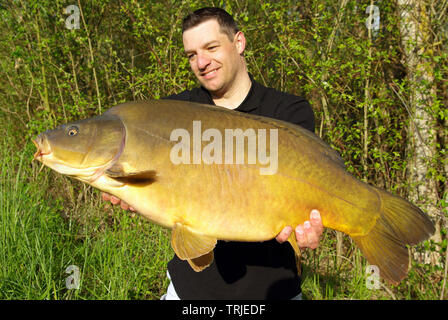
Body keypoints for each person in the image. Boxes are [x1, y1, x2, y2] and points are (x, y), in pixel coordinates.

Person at [102, 7, 323, 300]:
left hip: (273, 292)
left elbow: (309, 197)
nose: (202, 62)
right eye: (192, 55)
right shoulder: (172, 113)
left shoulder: (287, 111)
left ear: (239, 42)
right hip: (189, 292)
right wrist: (128, 189)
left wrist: (308, 227)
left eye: (211, 47)